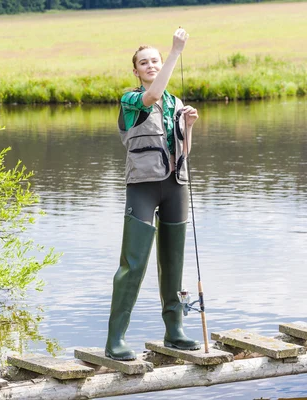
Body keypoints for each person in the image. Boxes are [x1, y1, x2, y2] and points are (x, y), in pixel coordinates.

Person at [105, 28, 201, 361]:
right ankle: (115, 340)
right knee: (132, 264)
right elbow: (151, 98)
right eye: (144, 63)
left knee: (173, 262)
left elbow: (184, 151)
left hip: (176, 187)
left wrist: (187, 126)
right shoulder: (130, 99)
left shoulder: (175, 102)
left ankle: (174, 332)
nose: (150, 66)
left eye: (154, 61)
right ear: (135, 71)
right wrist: (176, 51)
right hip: (143, 188)